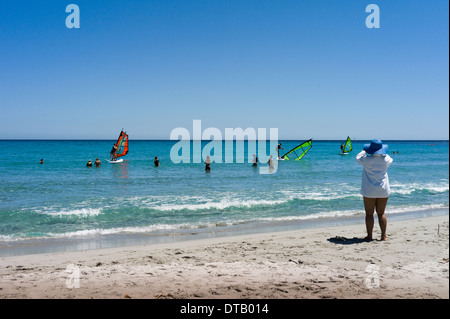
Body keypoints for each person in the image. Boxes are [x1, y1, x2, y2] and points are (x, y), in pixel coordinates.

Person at [356, 139, 393, 241]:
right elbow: (389, 157)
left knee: (369, 214)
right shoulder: (386, 159)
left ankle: (369, 236)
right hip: (383, 189)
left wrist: (364, 151)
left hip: (369, 190)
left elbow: (358, 157)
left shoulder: (366, 160)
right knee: (381, 213)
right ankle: (383, 236)